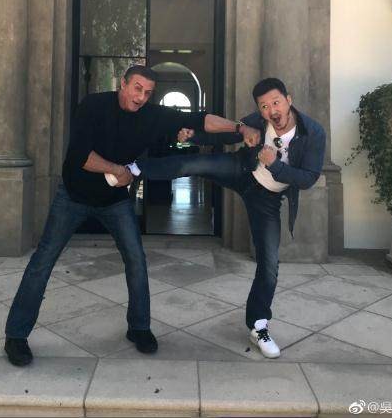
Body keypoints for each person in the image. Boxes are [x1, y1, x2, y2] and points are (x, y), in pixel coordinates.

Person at [4, 64, 259, 366]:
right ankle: (16, 336)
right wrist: (118, 170)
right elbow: (80, 156)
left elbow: (200, 119)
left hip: (114, 201)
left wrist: (240, 128)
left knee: (136, 259)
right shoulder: (93, 106)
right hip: (73, 196)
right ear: (122, 84)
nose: (141, 97)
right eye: (137, 88)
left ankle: (139, 328)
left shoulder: (152, 115)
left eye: (148, 93)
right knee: (43, 261)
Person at [126, 78, 326, 358]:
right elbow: (228, 135)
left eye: (276, 103)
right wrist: (194, 137)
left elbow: (308, 178)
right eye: (264, 106)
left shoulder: (313, 132)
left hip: (267, 199)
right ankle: (134, 169)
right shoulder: (259, 121)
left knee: (269, 263)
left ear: (289, 100)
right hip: (241, 170)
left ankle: (258, 325)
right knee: (193, 163)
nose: (271, 111)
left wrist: (275, 166)